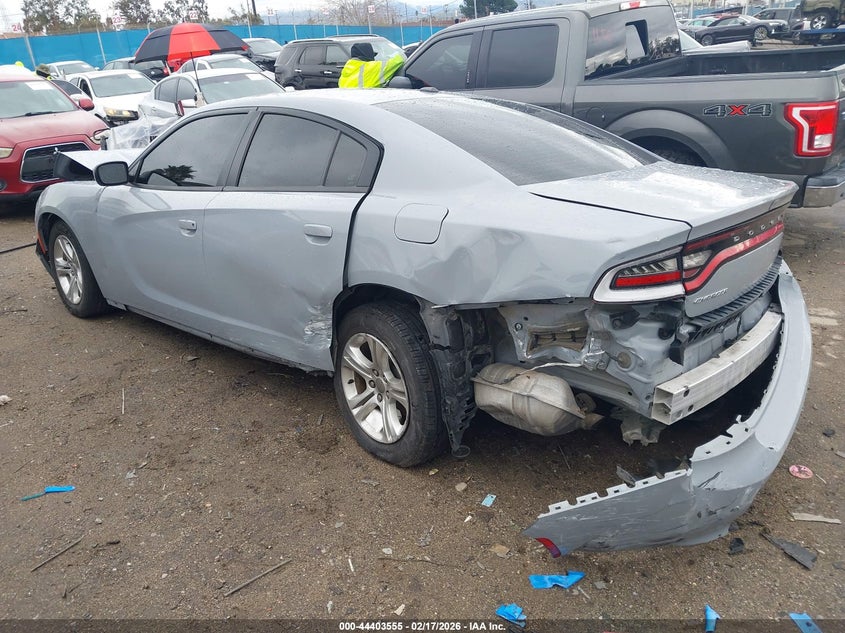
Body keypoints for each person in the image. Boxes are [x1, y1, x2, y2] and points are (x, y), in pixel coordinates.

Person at [339, 42, 404, 88]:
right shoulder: (370, 68)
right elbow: (395, 62)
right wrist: (407, 53)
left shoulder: (346, 70)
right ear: (368, 55)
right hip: (368, 104)